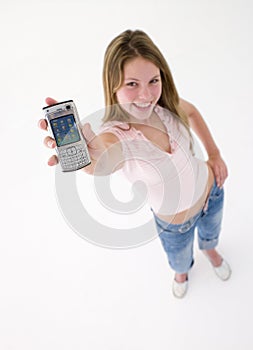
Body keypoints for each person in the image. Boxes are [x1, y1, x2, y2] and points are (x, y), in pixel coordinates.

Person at [38, 29, 231, 298]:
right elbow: (104, 160)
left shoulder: (165, 105)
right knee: (179, 259)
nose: (146, 95)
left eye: (153, 80)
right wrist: (89, 158)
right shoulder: (116, 133)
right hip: (176, 225)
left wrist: (214, 154)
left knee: (211, 236)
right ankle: (182, 271)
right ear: (113, 84)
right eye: (132, 84)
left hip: (212, 194)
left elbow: (192, 111)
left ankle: (210, 250)